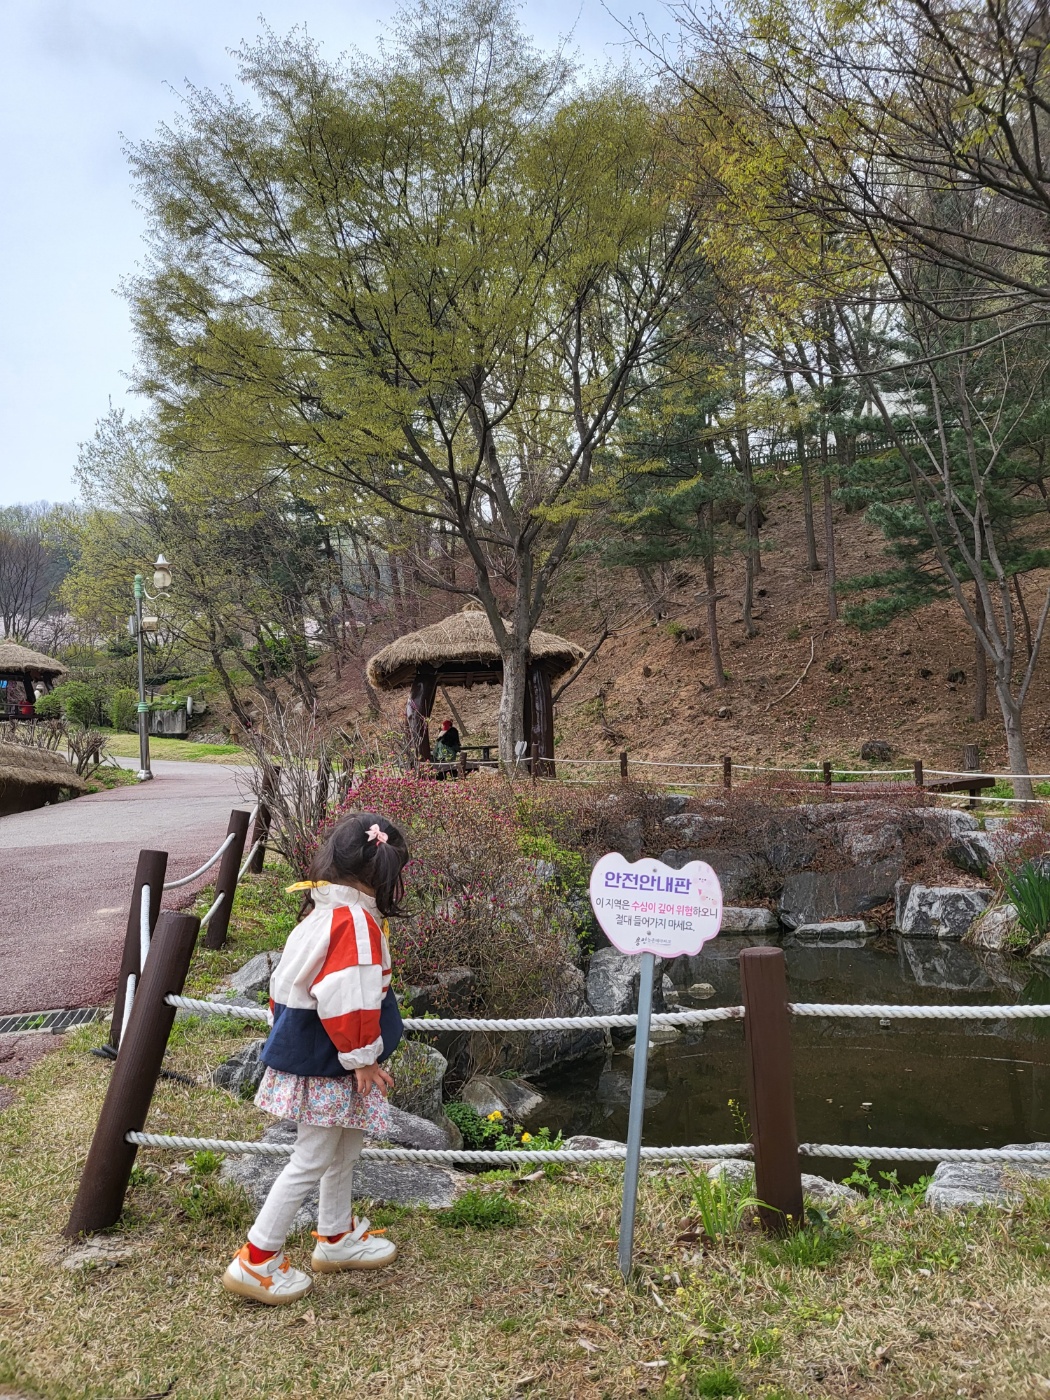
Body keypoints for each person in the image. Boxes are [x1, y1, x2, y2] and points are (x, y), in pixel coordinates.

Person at [222, 812, 408, 1305]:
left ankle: (335, 1235)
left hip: (325, 1054)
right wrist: (364, 1058)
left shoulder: (321, 912)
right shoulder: (357, 923)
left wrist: (357, 1056)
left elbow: (282, 990)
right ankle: (256, 1259)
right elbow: (350, 999)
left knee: (342, 1146)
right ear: (385, 873)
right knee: (312, 1155)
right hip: (336, 1057)